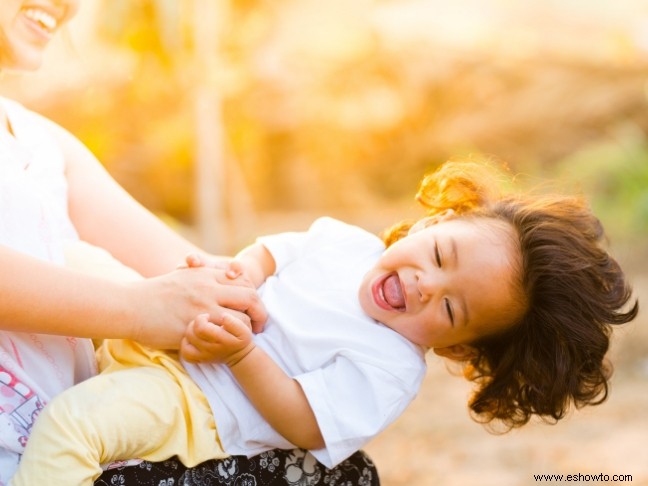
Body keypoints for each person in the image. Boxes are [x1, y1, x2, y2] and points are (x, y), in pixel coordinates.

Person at [10, 160, 639, 485]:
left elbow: (301, 420)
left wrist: (240, 356)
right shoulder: (343, 242)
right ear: (431, 224)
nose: (426, 284)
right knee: (66, 261)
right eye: (441, 254)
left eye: (451, 308)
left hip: (190, 397)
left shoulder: (390, 370)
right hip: (172, 324)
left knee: (77, 426)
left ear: (461, 346)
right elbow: (267, 254)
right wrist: (238, 278)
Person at [1, 2, 379, 485]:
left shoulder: (43, 142)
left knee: (342, 472)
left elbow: (194, 273)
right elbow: (157, 302)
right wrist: (140, 309)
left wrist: (361, 325)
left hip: (73, 457)